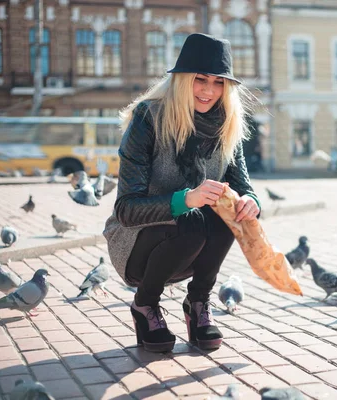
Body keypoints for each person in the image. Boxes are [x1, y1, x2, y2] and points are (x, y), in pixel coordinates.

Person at [103, 33, 261, 353]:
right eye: (200, 79)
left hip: (194, 246)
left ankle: (198, 305)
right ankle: (145, 305)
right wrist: (184, 200)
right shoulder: (148, 118)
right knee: (190, 218)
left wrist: (250, 203)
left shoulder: (227, 125)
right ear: (181, 80)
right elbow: (126, 210)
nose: (208, 90)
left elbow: (244, 187)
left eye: (218, 82)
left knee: (227, 216)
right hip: (138, 245)